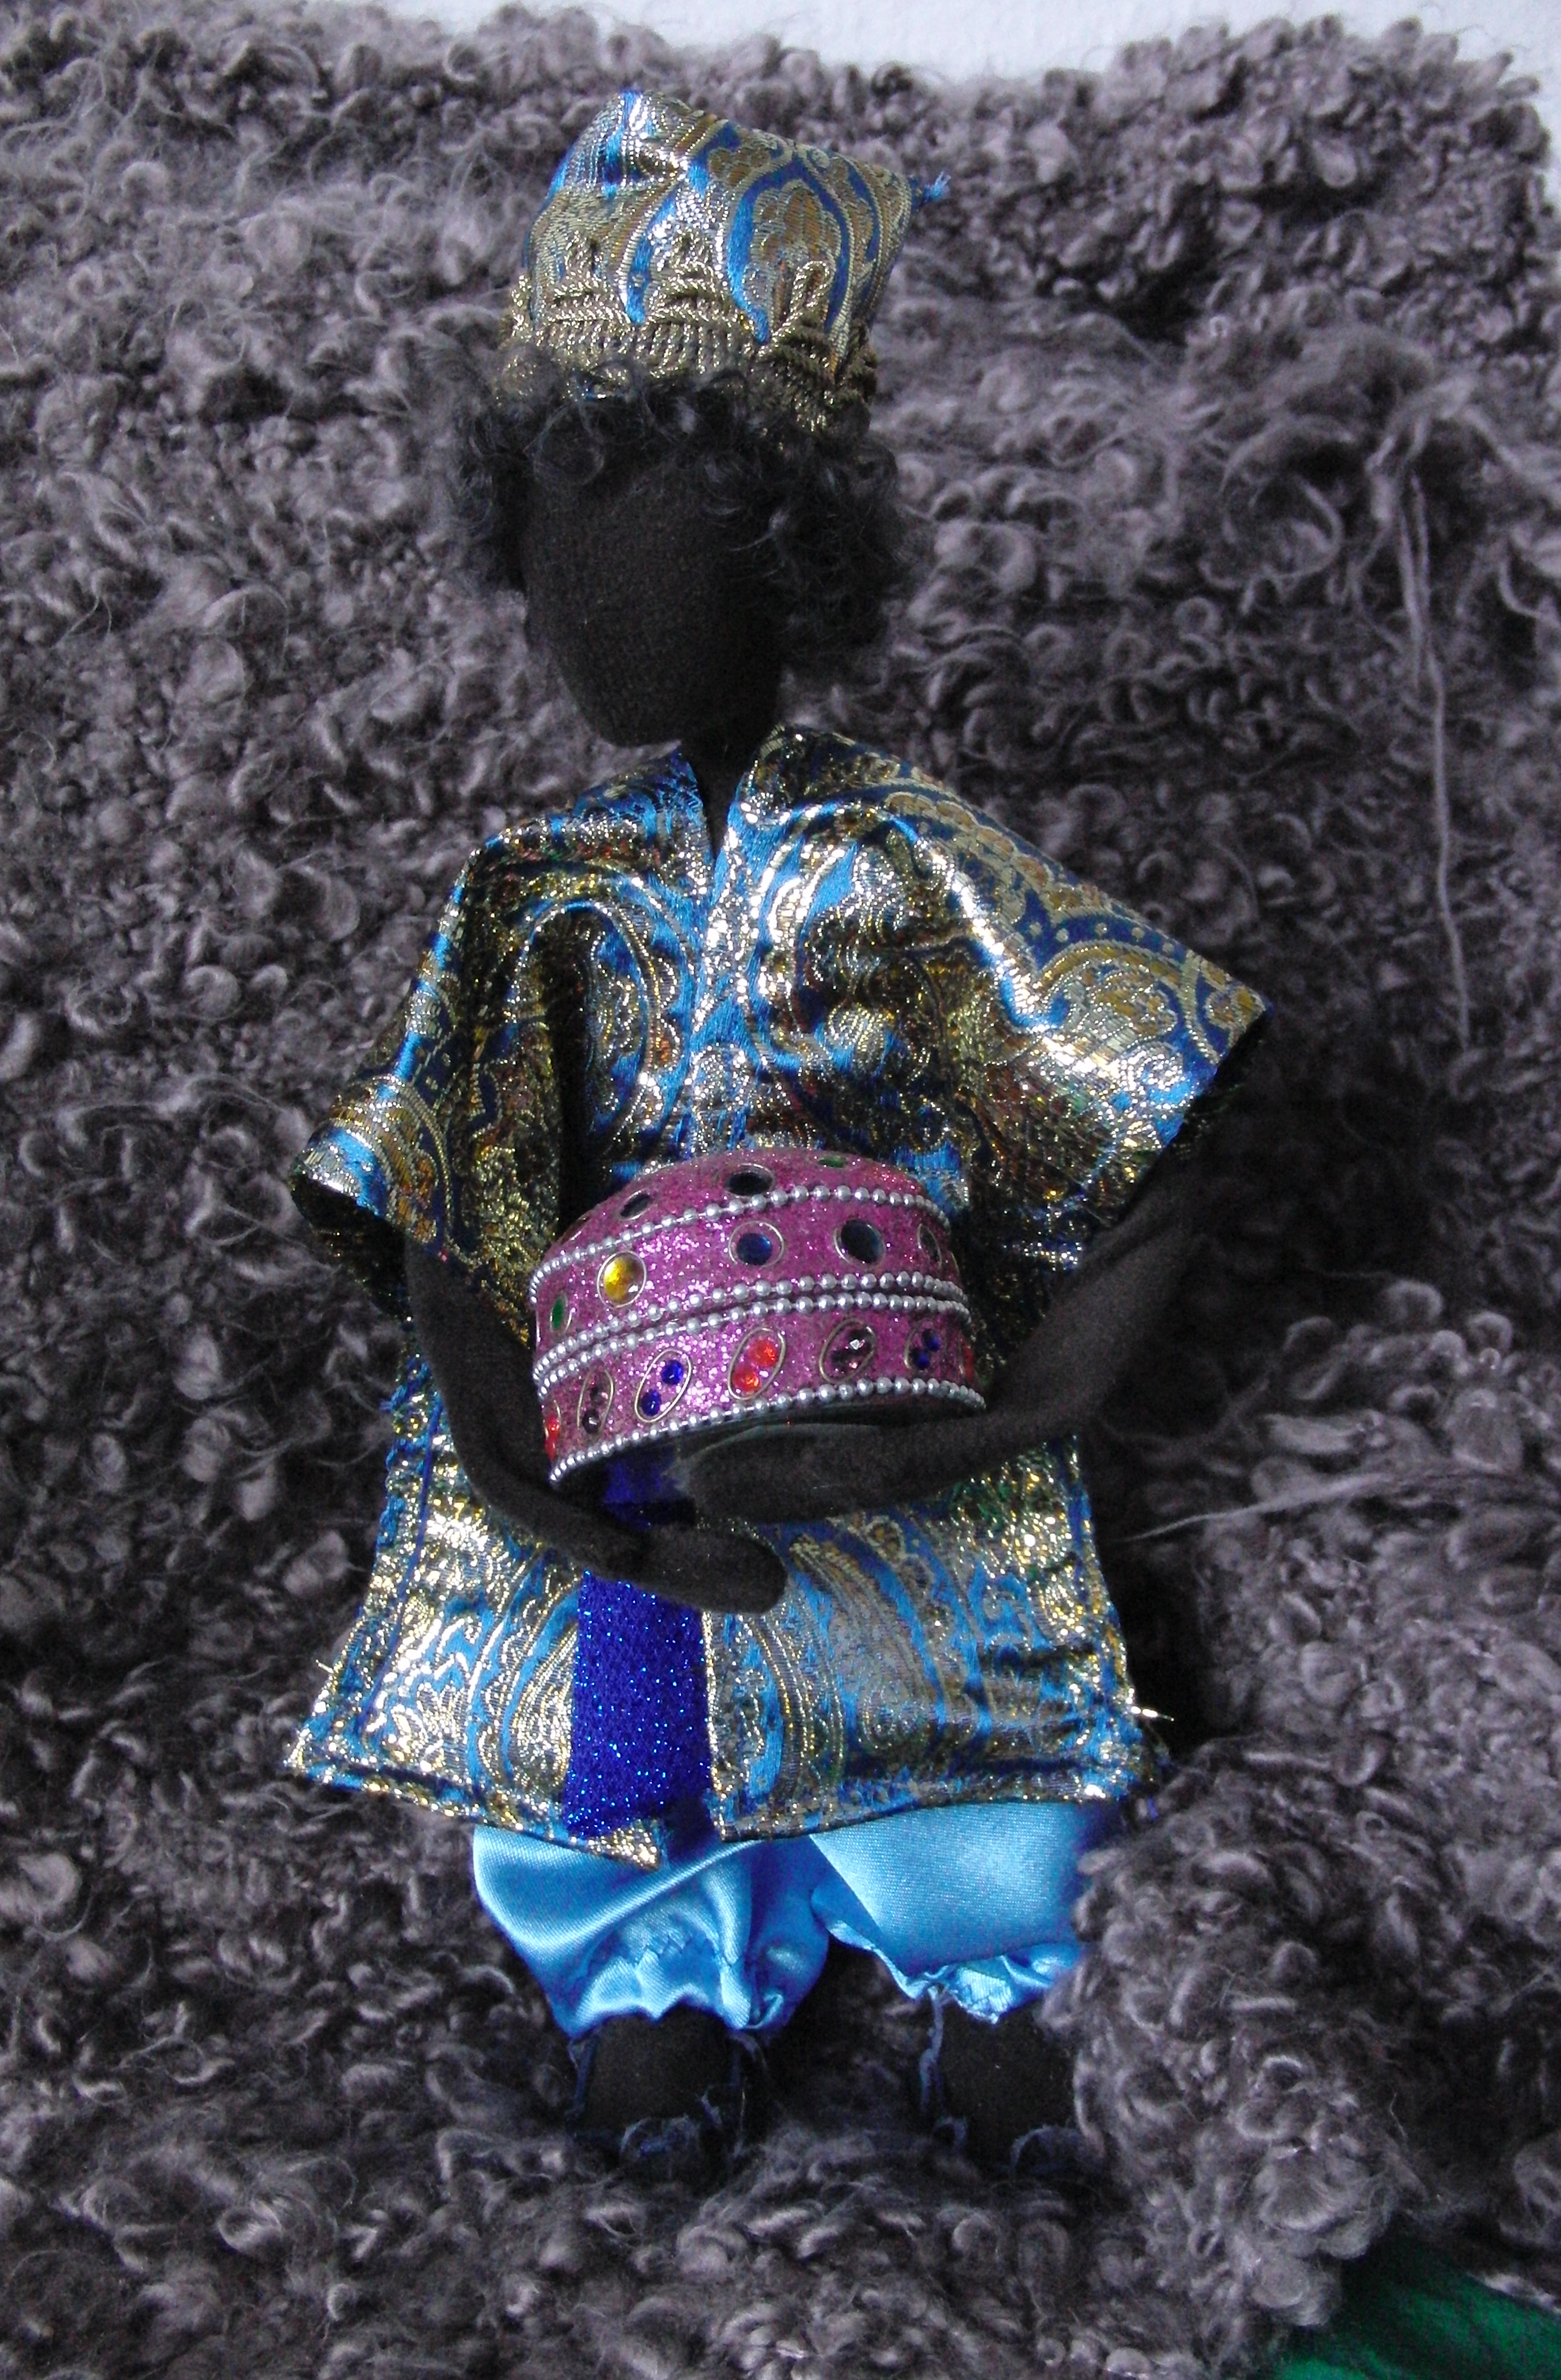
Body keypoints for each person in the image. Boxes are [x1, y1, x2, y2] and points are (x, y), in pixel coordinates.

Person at [286, 87, 1266, 2168]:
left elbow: (1158, 1134)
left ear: (793, 555)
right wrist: (517, 1467)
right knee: (614, 1711)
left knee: (943, 1664)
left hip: (885, 1413)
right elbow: (455, 1208)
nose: (595, 606)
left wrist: (1003, 1427)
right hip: (612, 1436)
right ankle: (650, 1968)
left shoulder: (910, 861)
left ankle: (991, 1965)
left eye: (661, 537)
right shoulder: (529, 889)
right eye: (563, 546)